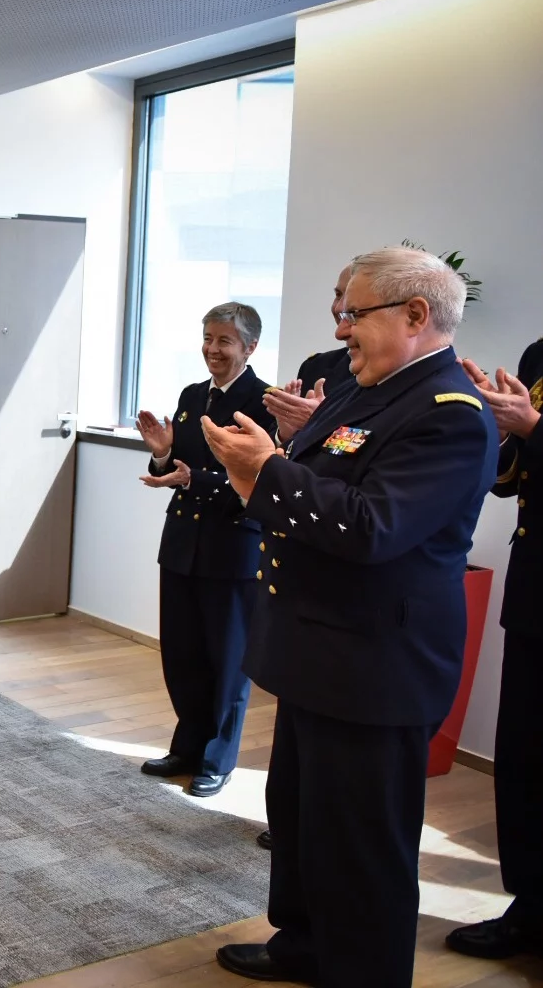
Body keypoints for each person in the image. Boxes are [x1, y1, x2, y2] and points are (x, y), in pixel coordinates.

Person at [203, 247, 497, 986]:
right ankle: (303, 946)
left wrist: (263, 469)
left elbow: (371, 527)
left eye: (354, 313)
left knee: (361, 848)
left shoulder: (449, 414)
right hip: (318, 652)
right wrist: (263, 464)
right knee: (303, 821)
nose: (340, 329)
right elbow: (315, 478)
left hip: (375, 668)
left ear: (415, 314)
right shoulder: (361, 389)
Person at [134, 303, 276, 797]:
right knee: (182, 656)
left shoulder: (264, 402)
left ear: (250, 347)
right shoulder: (192, 396)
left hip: (232, 550)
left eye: (224, 341)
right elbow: (173, 470)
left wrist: (194, 477)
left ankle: (218, 758)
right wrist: (161, 452)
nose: (213, 350)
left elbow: (259, 481)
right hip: (181, 546)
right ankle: (187, 746)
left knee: (228, 661)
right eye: (208, 339)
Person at [254, 262, 357, 851]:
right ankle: (291, 829)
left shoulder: (431, 403)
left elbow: (365, 509)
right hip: (304, 584)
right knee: (295, 741)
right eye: (338, 296)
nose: (341, 317)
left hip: (350, 605)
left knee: (340, 801)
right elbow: (313, 460)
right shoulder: (324, 367)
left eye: (353, 303)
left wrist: (282, 452)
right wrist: (290, 439)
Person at [446, 347, 543, 959]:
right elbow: (509, 481)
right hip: (534, 592)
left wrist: (533, 426)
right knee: (523, 760)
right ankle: (530, 908)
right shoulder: (539, 354)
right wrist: (501, 428)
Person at [263, 264, 357, 447]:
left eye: (352, 298)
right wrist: (286, 434)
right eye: (338, 295)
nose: (338, 308)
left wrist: (319, 423)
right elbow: (283, 447)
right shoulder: (317, 366)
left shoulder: (401, 380)